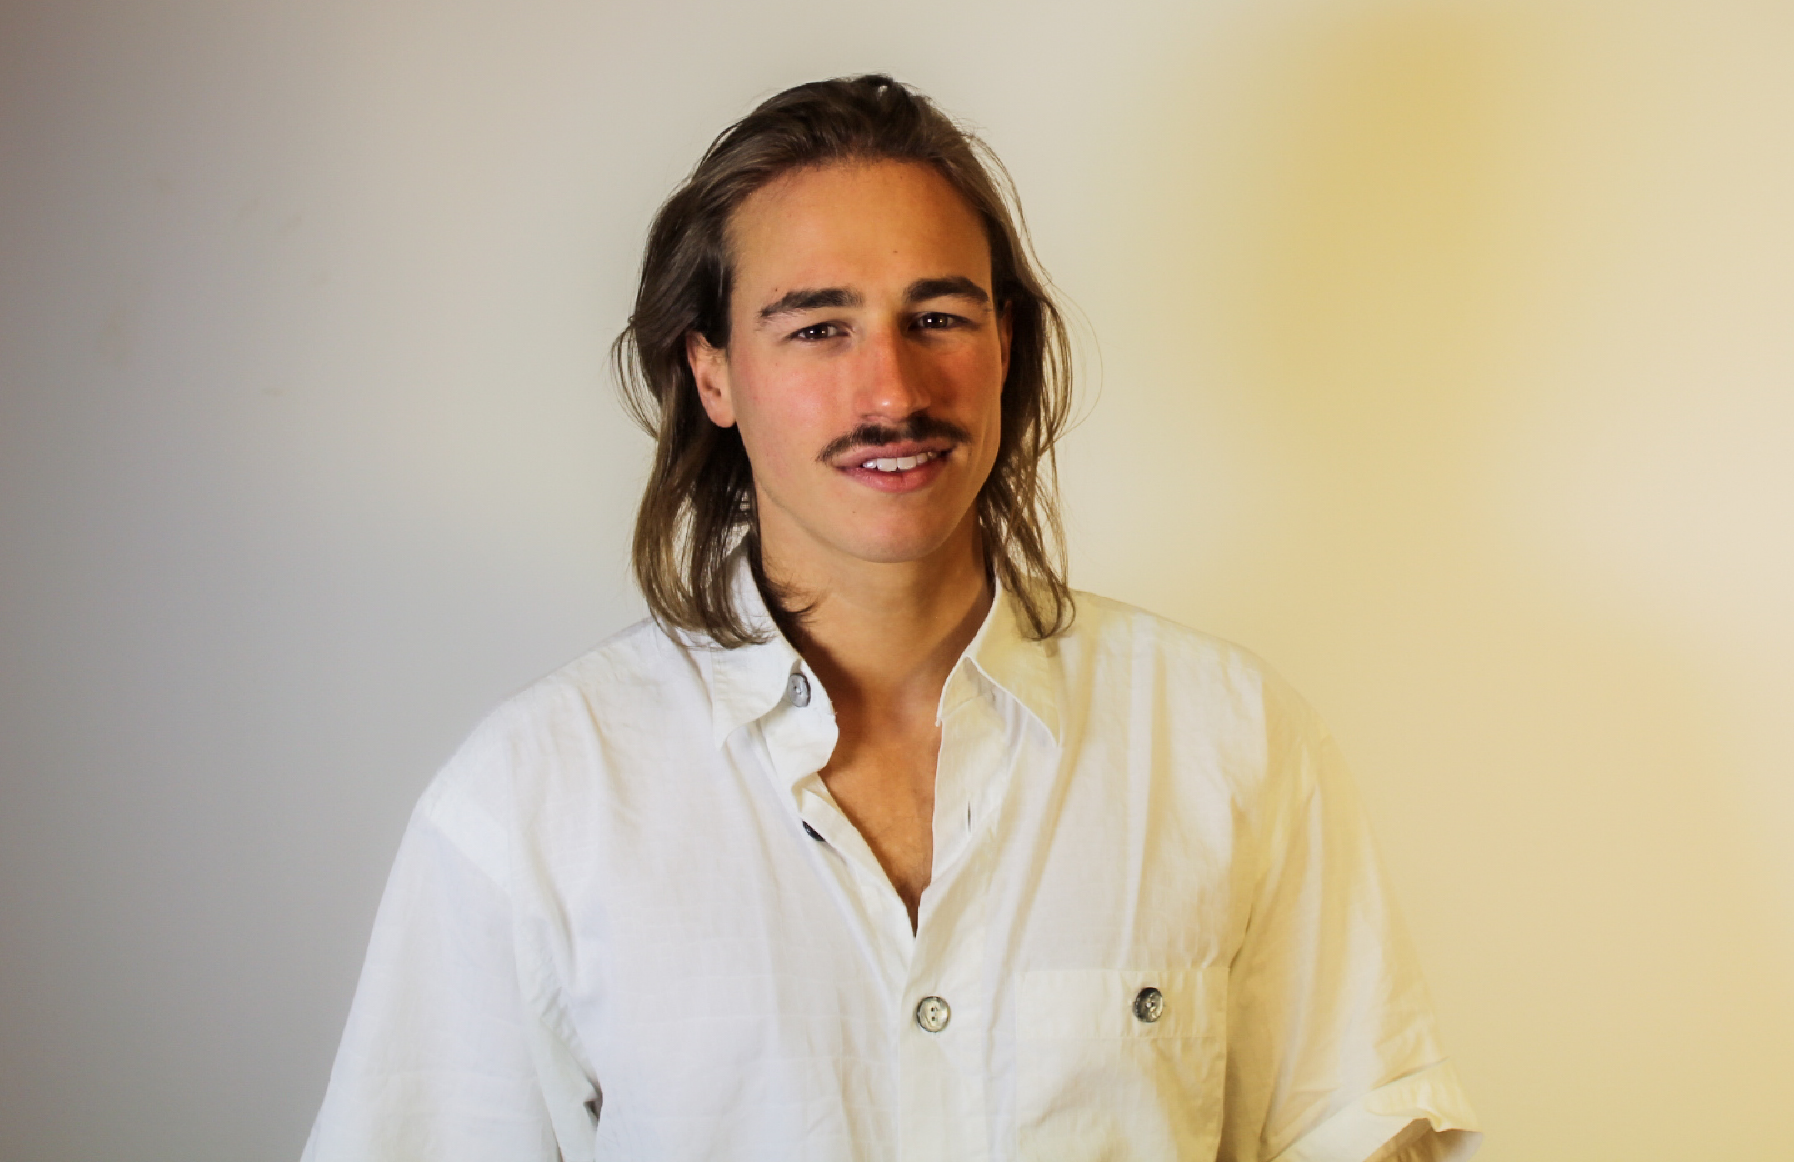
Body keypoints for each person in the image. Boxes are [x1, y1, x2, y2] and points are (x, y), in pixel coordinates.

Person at [302, 75, 1481, 1161]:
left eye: (938, 317)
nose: (892, 392)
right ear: (712, 373)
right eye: (819, 327)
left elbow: (1361, 1132)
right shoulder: (534, 801)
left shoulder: (1229, 740)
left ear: (1005, 344)